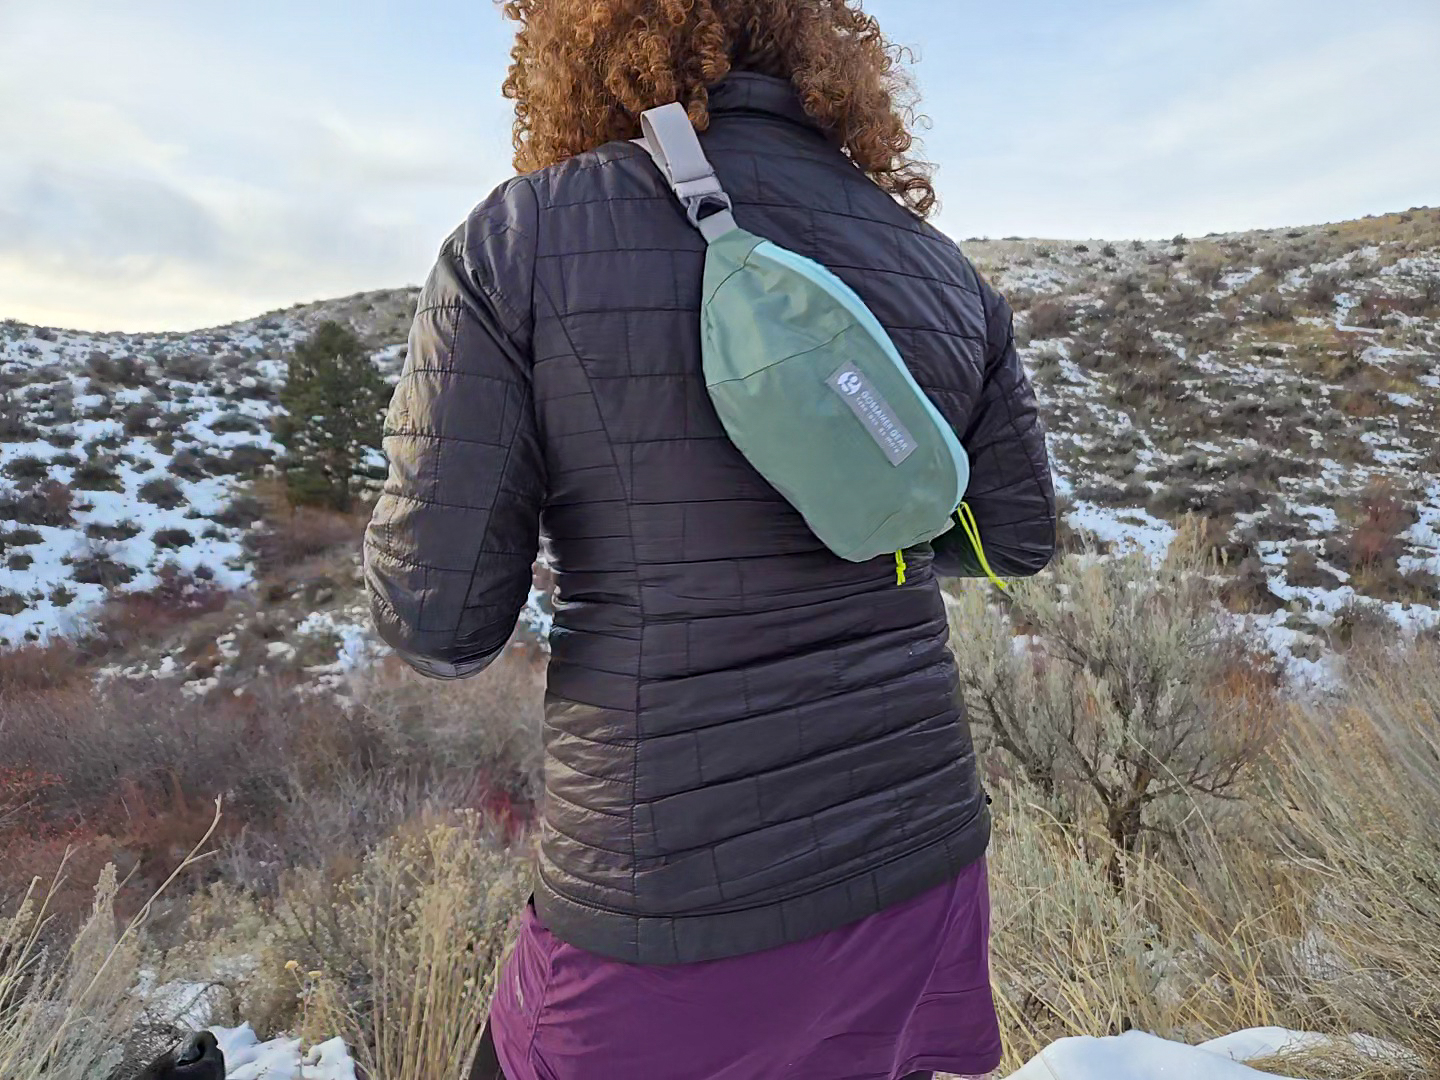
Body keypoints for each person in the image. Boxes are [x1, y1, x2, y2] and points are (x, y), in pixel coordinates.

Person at [364, 1, 1056, 1077]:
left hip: (666, 900)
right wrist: (858, 522)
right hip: (920, 862)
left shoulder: (523, 238)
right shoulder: (938, 266)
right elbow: (1014, 533)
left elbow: (438, 621)